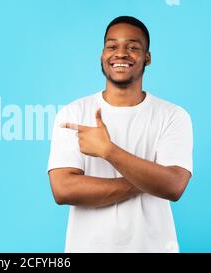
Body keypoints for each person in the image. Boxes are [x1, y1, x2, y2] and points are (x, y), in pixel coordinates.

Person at [47, 16, 193, 253]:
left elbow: (174, 186)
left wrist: (108, 151)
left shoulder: (173, 116)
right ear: (102, 55)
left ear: (147, 57)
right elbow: (63, 189)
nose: (121, 53)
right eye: (112, 46)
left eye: (133, 47)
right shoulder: (73, 113)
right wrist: (150, 178)